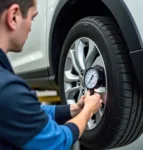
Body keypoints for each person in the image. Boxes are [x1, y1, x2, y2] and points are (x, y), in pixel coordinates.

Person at [0, 0, 103, 150]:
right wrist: (88, 111)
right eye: (32, 18)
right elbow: (56, 142)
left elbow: (28, 111)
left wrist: (74, 108)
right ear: (13, 17)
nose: (30, 28)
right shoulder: (8, 90)